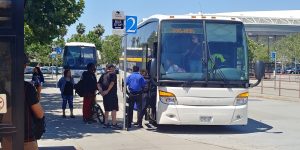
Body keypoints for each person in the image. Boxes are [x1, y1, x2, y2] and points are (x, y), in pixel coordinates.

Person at [24, 54, 45, 150]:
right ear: (24, 66)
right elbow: (39, 114)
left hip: (5, 137)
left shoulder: (3, 87)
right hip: (26, 137)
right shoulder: (27, 88)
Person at [98, 64, 120, 129]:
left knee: (106, 109)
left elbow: (98, 83)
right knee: (114, 109)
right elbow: (112, 83)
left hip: (105, 95)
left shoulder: (103, 75)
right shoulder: (113, 74)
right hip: (112, 94)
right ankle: (114, 123)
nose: (114, 69)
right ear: (112, 68)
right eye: (114, 68)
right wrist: (107, 91)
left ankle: (106, 123)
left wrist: (101, 91)